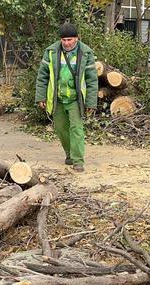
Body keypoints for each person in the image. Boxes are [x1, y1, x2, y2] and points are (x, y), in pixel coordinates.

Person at [35, 22, 98, 172]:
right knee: (61, 129)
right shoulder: (51, 52)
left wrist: (91, 102)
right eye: (64, 40)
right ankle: (69, 154)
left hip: (76, 99)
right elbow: (42, 76)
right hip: (58, 98)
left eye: (69, 40)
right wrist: (40, 97)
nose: (66, 43)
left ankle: (78, 161)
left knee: (76, 128)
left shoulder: (86, 53)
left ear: (76, 38)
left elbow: (92, 80)